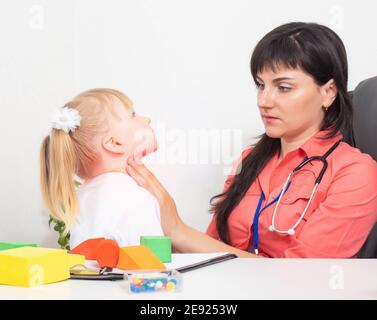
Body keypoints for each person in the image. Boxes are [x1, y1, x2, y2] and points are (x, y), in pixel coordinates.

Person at [126, 22, 377, 258]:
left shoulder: (355, 172)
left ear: (328, 92)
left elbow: (305, 277)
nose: (264, 101)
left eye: (284, 87)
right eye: (260, 85)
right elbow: (212, 251)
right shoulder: (249, 160)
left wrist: (179, 230)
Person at [40, 88, 163, 249]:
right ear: (114, 143)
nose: (147, 119)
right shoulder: (133, 198)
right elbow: (153, 266)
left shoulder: (82, 197)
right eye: (132, 114)